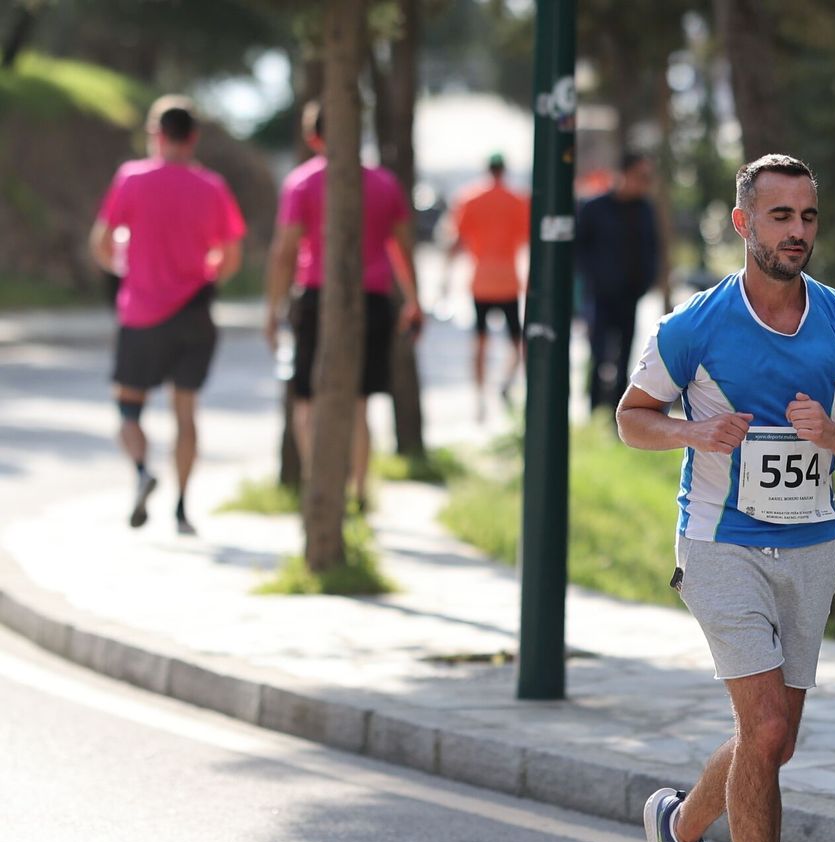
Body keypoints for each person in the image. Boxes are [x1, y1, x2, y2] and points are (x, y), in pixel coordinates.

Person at [617, 154, 835, 842]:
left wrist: (834, 435)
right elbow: (632, 418)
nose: (798, 232)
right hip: (720, 545)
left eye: (808, 217)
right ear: (744, 224)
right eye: (781, 217)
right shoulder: (696, 326)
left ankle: (677, 828)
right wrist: (691, 433)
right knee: (766, 728)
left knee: (772, 741)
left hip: (810, 549)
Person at [89, 94, 245, 535]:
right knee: (186, 412)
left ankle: (142, 472)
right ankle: (181, 508)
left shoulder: (132, 178)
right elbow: (231, 257)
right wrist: (205, 275)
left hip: (141, 314)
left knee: (128, 409)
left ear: (156, 135)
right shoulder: (213, 186)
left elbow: (101, 243)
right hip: (194, 313)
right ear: (193, 138)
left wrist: (127, 271)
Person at [263, 102, 421, 507]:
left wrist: (272, 311)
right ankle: (359, 492)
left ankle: (319, 490)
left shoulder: (302, 183)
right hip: (373, 300)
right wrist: (413, 299)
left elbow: (284, 252)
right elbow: (402, 248)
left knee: (307, 400)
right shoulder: (384, 183)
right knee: (359, 403)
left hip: (316, 296)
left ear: (313, 136)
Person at [446, 152, 531, 420]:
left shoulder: (469, 199)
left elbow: (457, 240)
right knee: (517, 342)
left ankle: (480, 399)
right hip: (508, 281)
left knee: (480, 342)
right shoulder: (518, 200)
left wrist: (444, 280)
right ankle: (505, 382)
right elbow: (527, 240)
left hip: (481, 281)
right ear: (504, 170)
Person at [575, 151, 659, 414]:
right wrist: (594, 279)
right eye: (640, 176)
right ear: (624, 174)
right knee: (598, 353)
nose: (644, 183)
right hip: (599, 297)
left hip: (629, 296)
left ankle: (617, 413)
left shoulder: (644, 209)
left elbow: (651, 248)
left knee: (625, 357)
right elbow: (579, 250)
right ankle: (593, 408)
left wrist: (646, 282)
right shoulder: (594, 207)